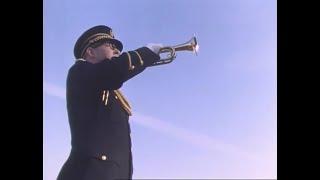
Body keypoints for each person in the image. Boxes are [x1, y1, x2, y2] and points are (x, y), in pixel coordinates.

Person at [57, 25, 162, 180]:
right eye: (110, 46)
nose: (117, 51)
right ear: (90, 52)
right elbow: (113, 72)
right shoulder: (79, 72)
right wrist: (146, 53)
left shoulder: (109, 90)